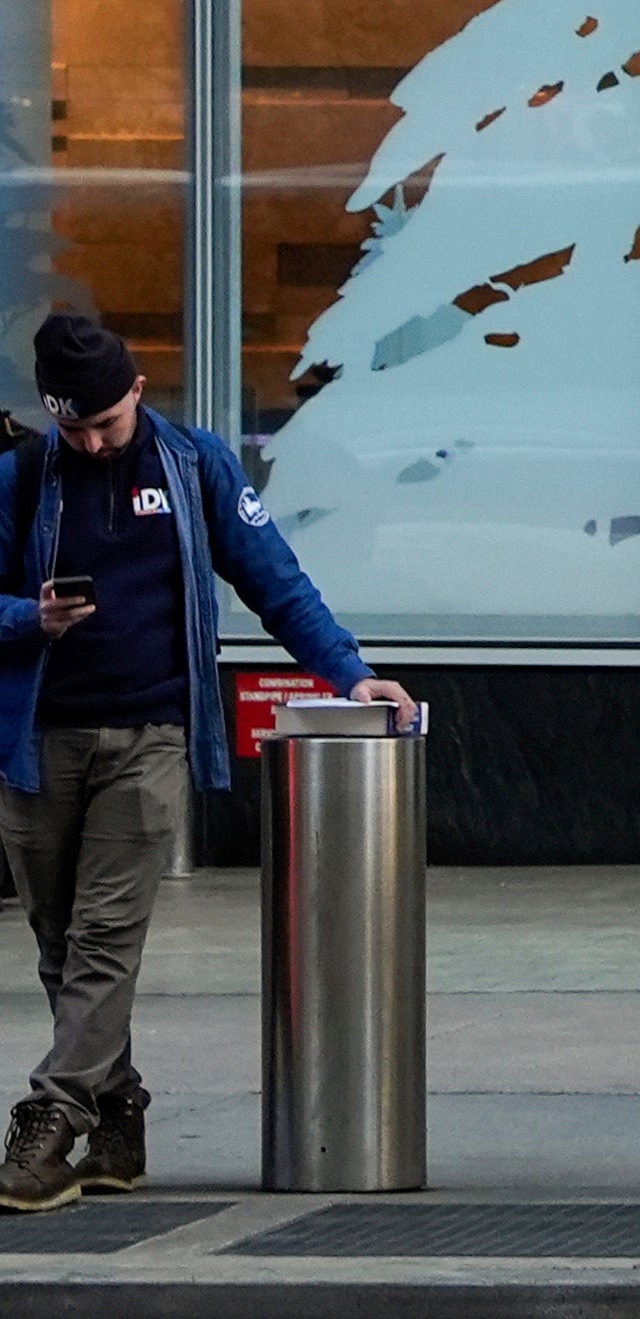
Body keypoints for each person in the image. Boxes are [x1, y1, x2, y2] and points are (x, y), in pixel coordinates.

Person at [0, 311, 410, 1216]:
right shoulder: (25, 476)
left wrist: (351, 675)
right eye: (75, 427)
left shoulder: (194, 467)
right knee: (62, 949)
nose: (93, 441)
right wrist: (31, 618)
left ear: (138, 391)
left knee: (104, 937)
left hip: (149, 738)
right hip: (39, 744)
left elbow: (274, 579)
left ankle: (48, 1120)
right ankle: (118, 1118)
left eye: (106, 423)